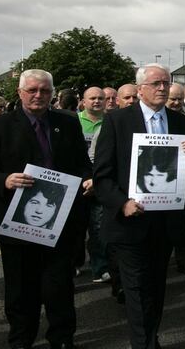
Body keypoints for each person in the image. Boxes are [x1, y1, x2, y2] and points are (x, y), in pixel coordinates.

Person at [0, 69, 93, 349]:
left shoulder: (67, 122)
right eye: (32, 90)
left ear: (53, 94)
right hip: (18, 221)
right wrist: (4, 180)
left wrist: (89, 177)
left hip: (61, 220)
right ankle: (21, 339)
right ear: (20, 93)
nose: (38, 95)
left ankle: (62, 338)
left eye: (44, 90)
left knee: (59, 287)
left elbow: (81, 162)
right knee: (20, 289)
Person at [92, 64, 185, 349]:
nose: (163, 88)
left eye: (166, 82)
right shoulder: (117, 121)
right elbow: (102, 175)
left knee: (155, 287)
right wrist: (122, 204)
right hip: (129, 223)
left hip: (165, 223)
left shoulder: (183, 124)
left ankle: (150, 337)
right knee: (137, 289)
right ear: (140, 89)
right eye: (156, 83)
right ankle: (145, 343)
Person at [78, 86, 110, 283]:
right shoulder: (73, 121)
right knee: (77, 228)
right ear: (83, 101)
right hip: (79, 180)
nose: (97, 101)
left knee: (98, 228)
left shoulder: (111, 122)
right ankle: (75, 262)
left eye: (100, 98)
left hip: (100, 180)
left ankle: (99, 267)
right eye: (92, 98)